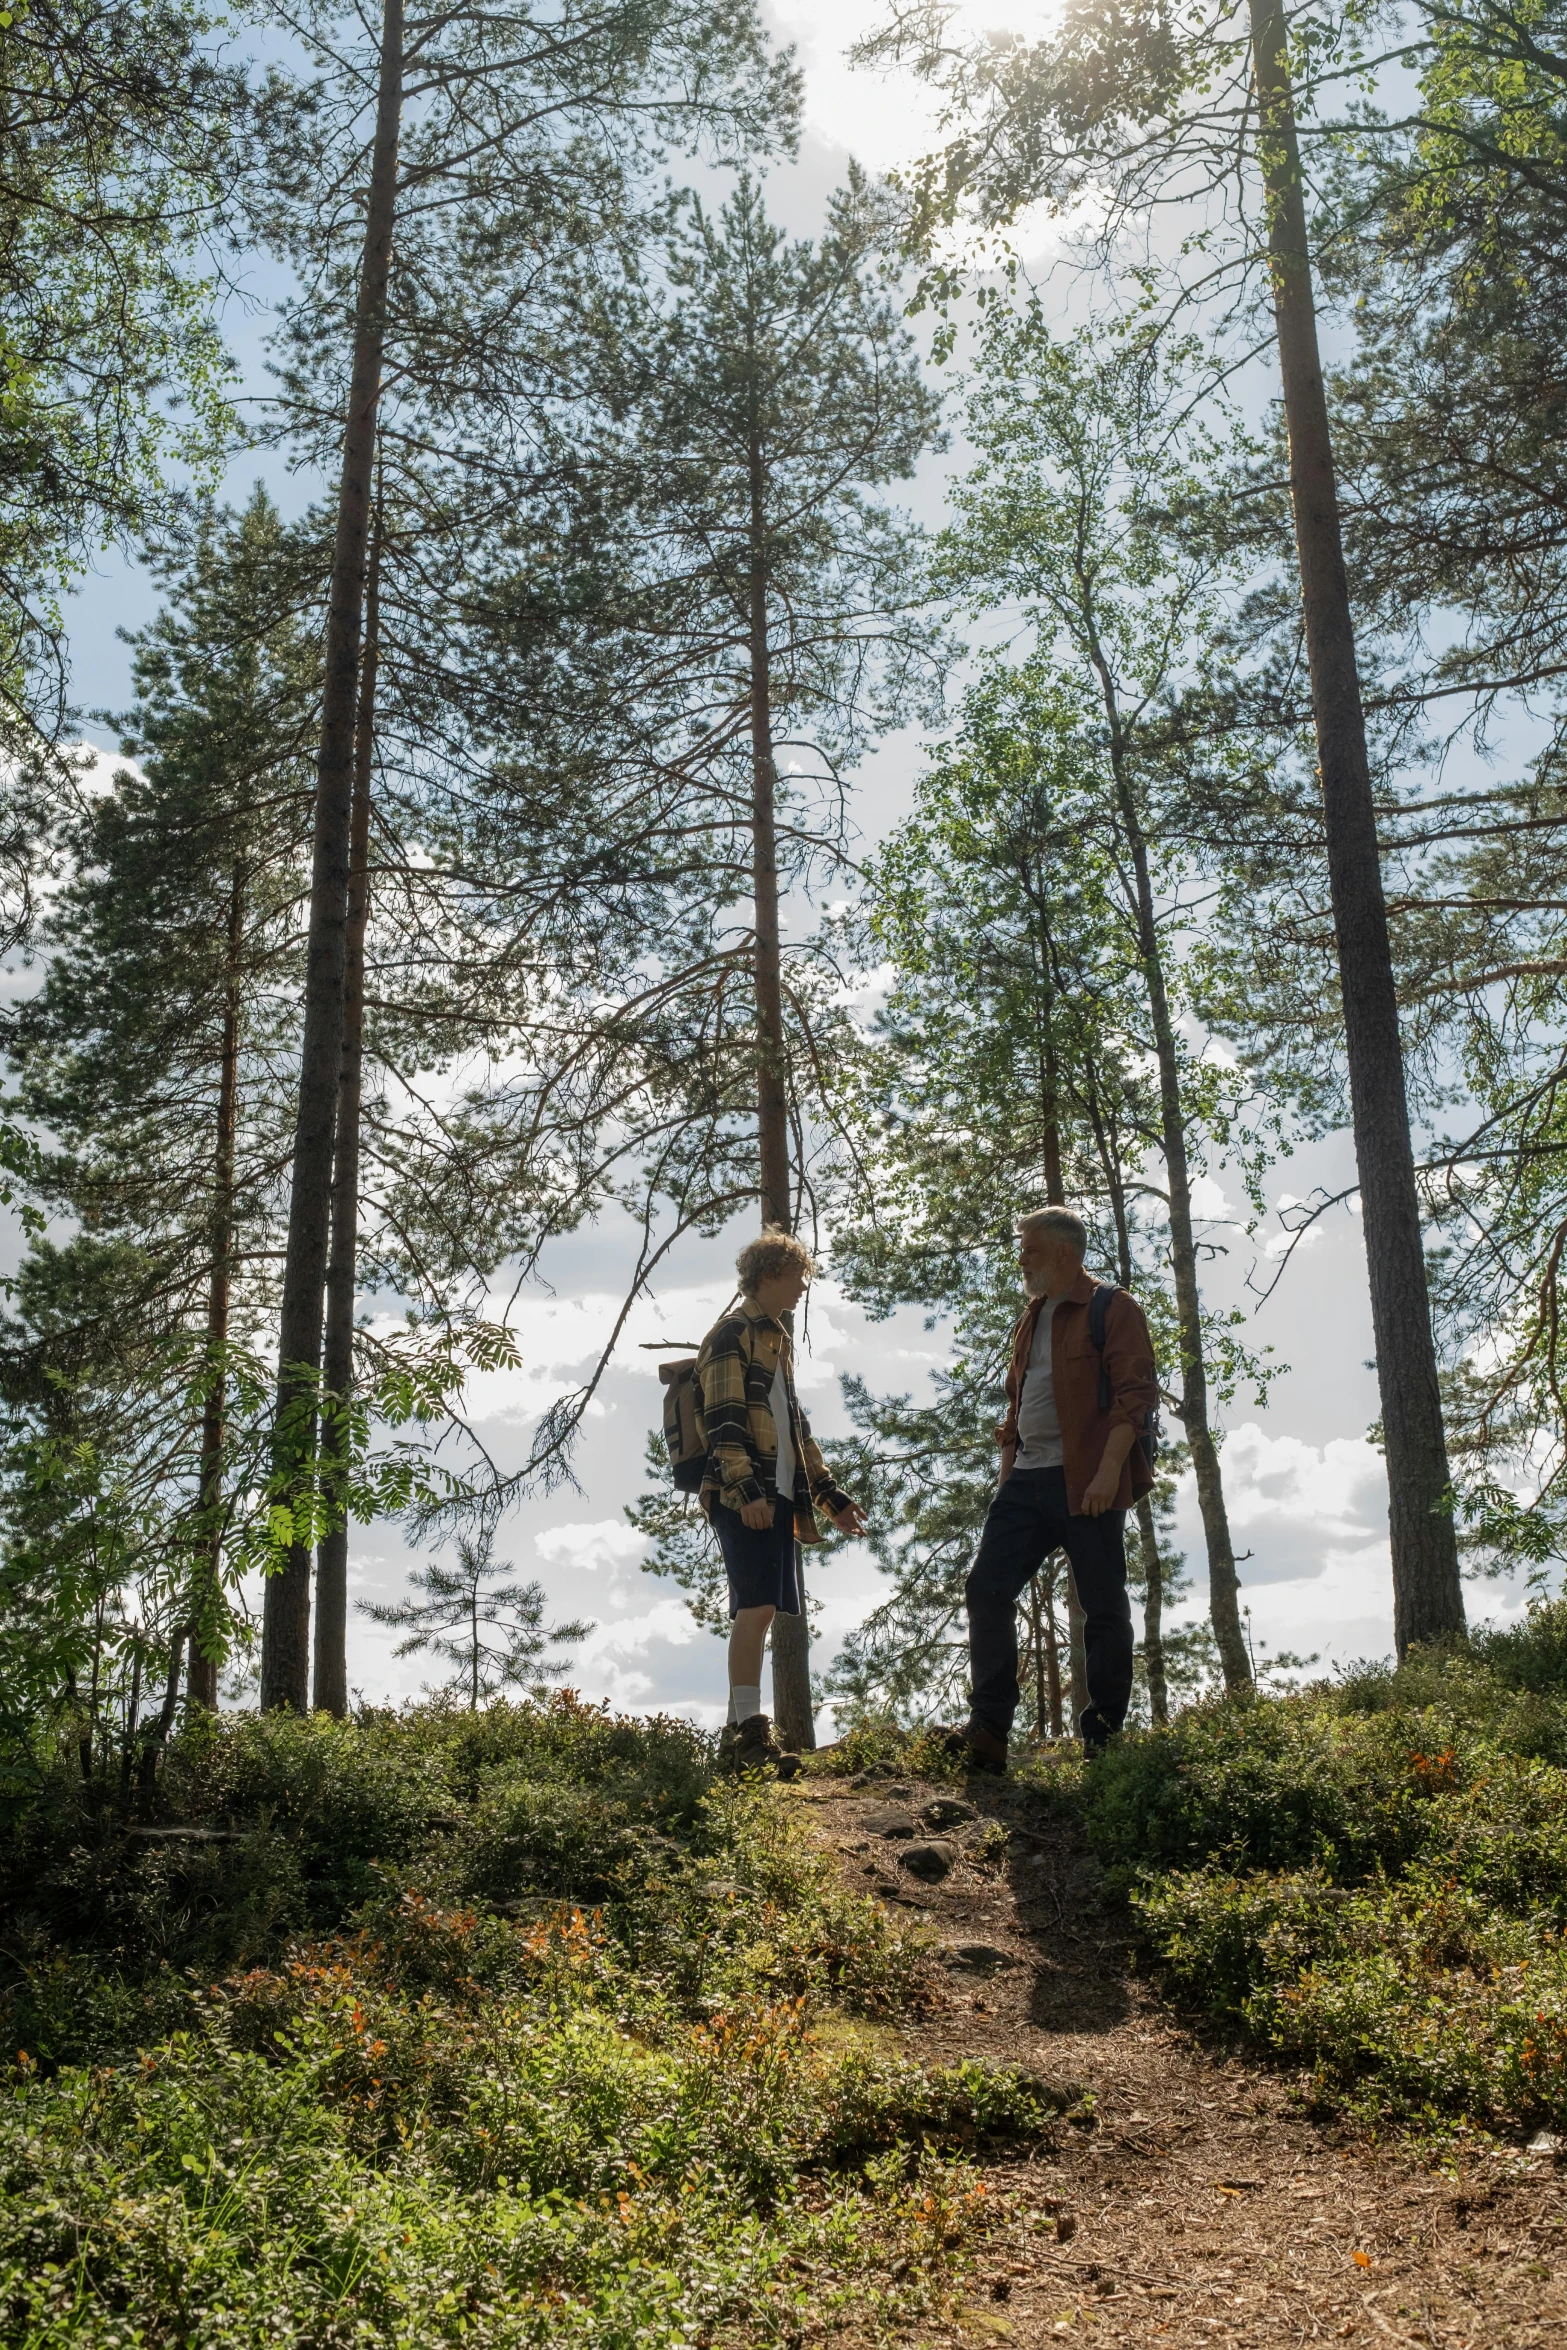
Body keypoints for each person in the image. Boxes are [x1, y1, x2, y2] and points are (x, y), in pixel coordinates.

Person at [950, 1205, 1159, 1771]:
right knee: (986, 1588)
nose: (1022, 1261)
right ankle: (989, 1730)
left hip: (1087, 1482)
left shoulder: (1112, 1308)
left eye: (1031, 1251)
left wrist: (1109, 1472)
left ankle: (1104, 1738)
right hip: (1026, 1481)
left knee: (1103, 1607)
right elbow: (1016, 1408)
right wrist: (1004, 1478)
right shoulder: (1031, 1316)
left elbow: (1135, 1397)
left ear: (1065, 1253)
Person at [694, 1229, 867, 1774]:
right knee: (756, 1608)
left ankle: (738, 1739)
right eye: (798, 1278)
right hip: (748, 1494)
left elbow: (794, 1424)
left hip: (777, 1494)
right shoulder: (730, 1334)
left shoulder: (774, 1338)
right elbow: (721, 1420)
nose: (802, 1288)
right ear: (770, 1274)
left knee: (760, 1609)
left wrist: (827, 1494)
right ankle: (746, 1735)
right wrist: (745, 1491)